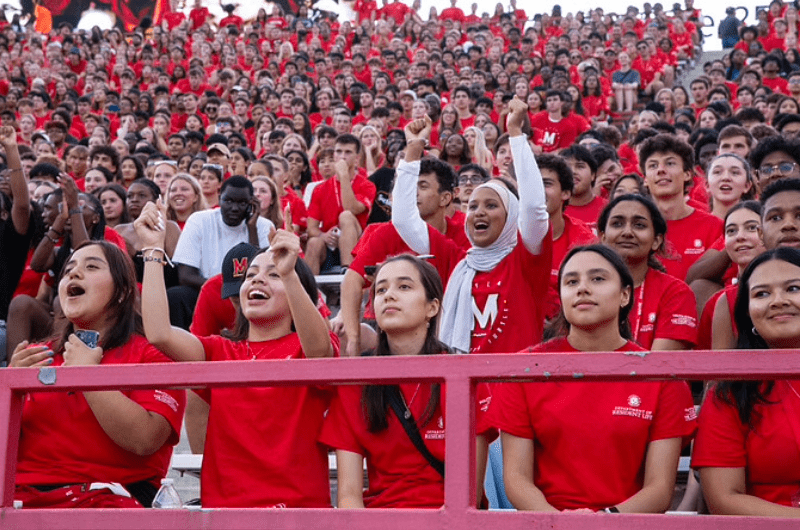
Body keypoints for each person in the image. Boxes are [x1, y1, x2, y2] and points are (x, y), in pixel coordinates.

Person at [137, 199, 336, 508]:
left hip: (298, 513)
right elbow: (160, 333)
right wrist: (152, 252)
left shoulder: (306, 347)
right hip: (225, 512)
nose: (256, 279)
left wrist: (290, 273)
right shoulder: (220, 350)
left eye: (273, 275)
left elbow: (321, 356)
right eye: (250, 275)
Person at [492, 245, 696, 512]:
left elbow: (659, 490)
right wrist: (561, 525)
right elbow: (517, 481)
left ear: (625, 295)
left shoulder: (660, 375)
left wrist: (603, 521)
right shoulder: (527, 369)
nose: (582, 288)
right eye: (571, 281)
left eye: (597, 279)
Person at [10, 241, 186, 508]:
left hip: (110, 503)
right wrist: (9, 394)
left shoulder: (152, 353)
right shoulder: (35, 356)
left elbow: (145, 439)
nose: (74, 273)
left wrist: (88, 377)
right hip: (23, 502)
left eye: (91, 266)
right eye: (69, 269)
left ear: (122, 292)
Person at [320, 255, 492, 508]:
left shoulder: (464, 374)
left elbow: (468, 495)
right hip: (379, 524)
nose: (389, 295)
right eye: (381, 289)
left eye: (404, 286)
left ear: (432, 308)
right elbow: (348, 497)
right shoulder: (355, 382)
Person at [393, 97, 551, 354]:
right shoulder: (456, 259)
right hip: (459, 389)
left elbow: (533, 207)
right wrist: (413, 149)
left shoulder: (526, 259)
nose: (479, 212)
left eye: (491, 205)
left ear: (512, 215)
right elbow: (403, 219)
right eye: (474, 206)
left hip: (514, 389)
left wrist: (515, 133)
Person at [693, 247, 800, 516]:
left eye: (794, 288)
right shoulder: (730, 392)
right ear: (748, 313)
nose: (778, 301)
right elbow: (724, 499)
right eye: (761, 294)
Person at [168, 176, 273, 329]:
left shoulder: (263, 226)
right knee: (176, 295)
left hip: (248, 294)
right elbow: (185, 276)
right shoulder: (199, 220)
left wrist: (252, 228)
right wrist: (223, 290)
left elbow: (260, 272)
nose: (234, 208)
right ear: (219, 198)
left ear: (252, 204)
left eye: (242, 203)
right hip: (206, 291)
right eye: (228, 201)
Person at [598, 194, 698, 350]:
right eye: (617, 224)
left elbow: (660, 367)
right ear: (602, 237)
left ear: (656, 241)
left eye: (639, 225)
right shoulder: (585, 288)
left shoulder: (676, 293)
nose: (627, 232)